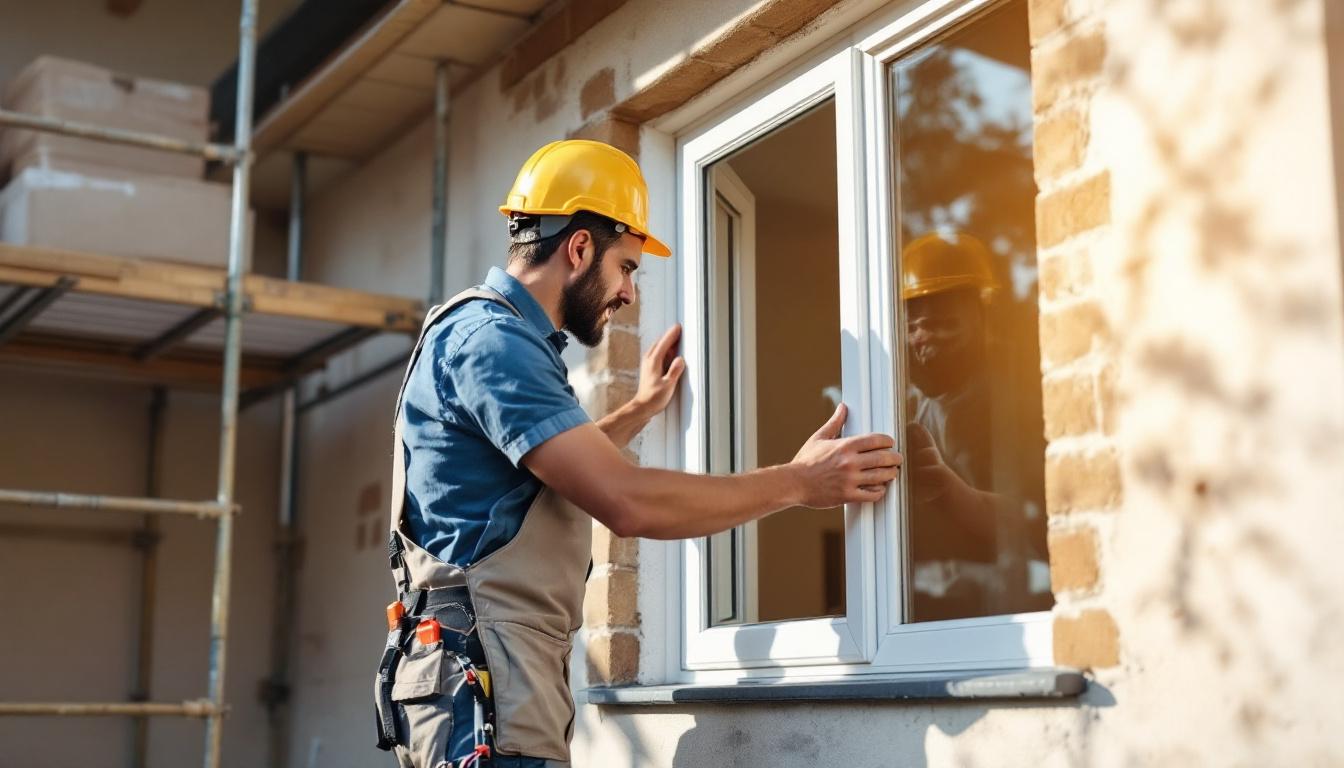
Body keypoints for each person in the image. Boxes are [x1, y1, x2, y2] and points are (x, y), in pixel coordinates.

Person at [374, 139, 902, 768]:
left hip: (472, 676)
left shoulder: (475, 330)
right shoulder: (496, 343)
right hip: (485, 681)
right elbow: (624, 502)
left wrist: (642, 409)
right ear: (578, 248)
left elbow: (540, 469)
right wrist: (799, 482)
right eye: (626, 266)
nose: (628, 293)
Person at [901, 231, 1049, 622]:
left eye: (941, 323)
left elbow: (1038, 518)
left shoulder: (1019, 401)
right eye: (913, 325)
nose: (922, 338)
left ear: (982, 319)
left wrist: (950, 491)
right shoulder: (910, 406)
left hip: (1015, 609)